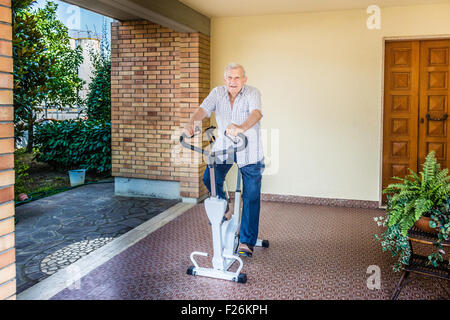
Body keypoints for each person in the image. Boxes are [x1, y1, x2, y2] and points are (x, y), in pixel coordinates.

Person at [183, 63, 265, 256]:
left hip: (249, 148)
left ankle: (246, 241)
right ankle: (222, 206)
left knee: (251, 195)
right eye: (229, 77)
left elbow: (256, 113)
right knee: (208, 178)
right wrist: (191, 123)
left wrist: (241, 127)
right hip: (225, 147)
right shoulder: (217, 93)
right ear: (224, 79)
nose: (232, 82)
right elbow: (203, 109)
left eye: (237, 78)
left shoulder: (253, 93)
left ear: (244, 79)